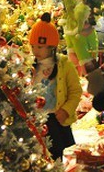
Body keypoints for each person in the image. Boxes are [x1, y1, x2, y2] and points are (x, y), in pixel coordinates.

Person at [29, 13, 82, 160]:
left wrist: (66, 110)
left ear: (52, 46)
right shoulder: (30, 66)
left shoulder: (64, 64)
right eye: (32, 46)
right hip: (36, 121)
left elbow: (75, 91)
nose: (35, 51)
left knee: (59, 155)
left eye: (40, 46)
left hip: (56, 120)